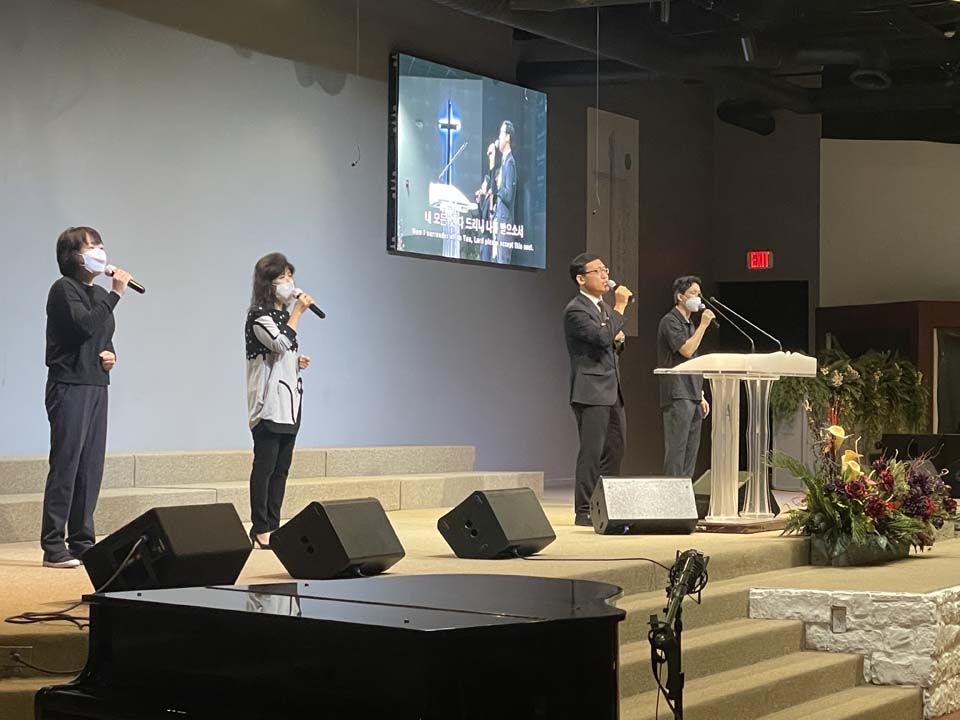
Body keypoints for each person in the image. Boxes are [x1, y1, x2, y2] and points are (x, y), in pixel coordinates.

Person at [42, 226, 132, 568]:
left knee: (90, 466)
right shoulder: (64, 289)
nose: (100, 251)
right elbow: (82, 326)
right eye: (92, 246)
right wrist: (116, 294)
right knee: (67, 463)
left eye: (101, 245)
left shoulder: (97, 294)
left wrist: (110, 355)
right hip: (69, 385)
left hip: (96, 384)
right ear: (73, 256)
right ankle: (53, 545)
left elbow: (100, 335)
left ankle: (82, 541)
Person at [245, 253, 314, 549]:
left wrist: (296, 362)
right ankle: (260, 527)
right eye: (282, 277)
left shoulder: (285, 317)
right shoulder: (259, 315)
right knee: (265, 467)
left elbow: (282, 353)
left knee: (281, 469)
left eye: (290, 276)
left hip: (290, 402)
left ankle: (274, 524)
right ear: (268, 283)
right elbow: (278, 342)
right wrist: (298, 311)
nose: (289, 282)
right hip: (268, 405)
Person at [563, 254, 632, 526]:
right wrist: (620, 306)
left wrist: (618, 339)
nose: (605, 276)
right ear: (581, 278)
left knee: (616, 448)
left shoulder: (602, 308)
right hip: (590, 390)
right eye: (598, 271)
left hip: (612, 389)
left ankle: (606, 504)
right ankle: (584, 510)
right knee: (592, 452)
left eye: (606, 270)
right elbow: (602, 337)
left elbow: (609, 342)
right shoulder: (576, 310)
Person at [657, 275, 715, 479]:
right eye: (693, 293)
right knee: (677, 449)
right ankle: (671, 494)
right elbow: (687, 351)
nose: (698, 298)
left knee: (691, 451)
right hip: (678, 392)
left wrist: (701, 394)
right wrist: (703, 325)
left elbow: (694, 363)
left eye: (699, 293)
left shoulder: (689, 323)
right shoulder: (670, 321)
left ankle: (685, 491)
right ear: (680, 297)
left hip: (692, 392)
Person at [491, 120, 517, 264]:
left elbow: (508, 195)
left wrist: (500, 184)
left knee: (503, 262)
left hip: (505, 223)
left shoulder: (510, 163)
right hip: (500, 221)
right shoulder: (503, 161)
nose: (499, 137)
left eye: (501, 133)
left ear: (507, 137)